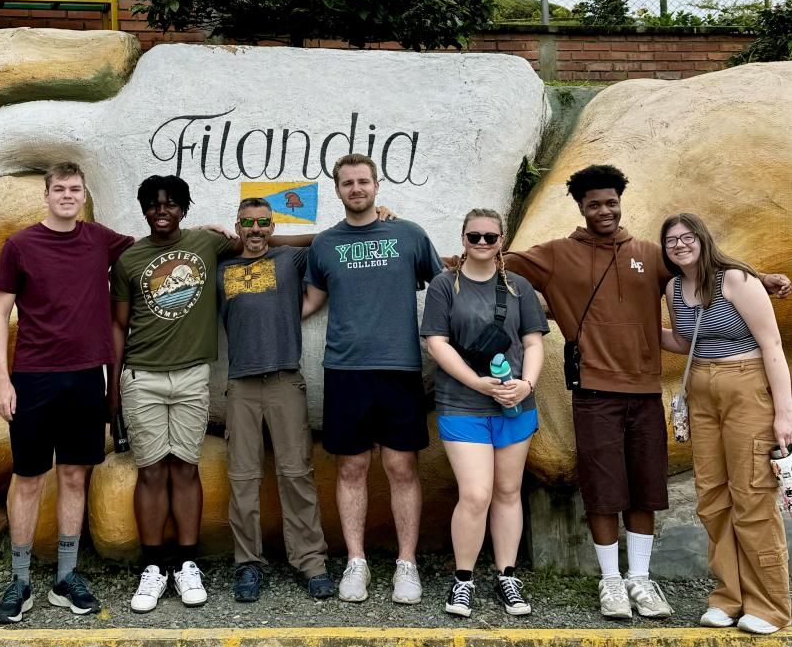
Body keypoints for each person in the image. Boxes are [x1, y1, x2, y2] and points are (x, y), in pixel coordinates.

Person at [502, 164, 790, 621]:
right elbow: (495, 263)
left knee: (646, 488)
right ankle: (611, 583)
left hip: (647, 391)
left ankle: (640, 579)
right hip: (594, 391)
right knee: (604, 489)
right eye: (594, 203)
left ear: (621, 203)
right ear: (580, 207)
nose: (604, 211)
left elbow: (706, 263)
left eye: (611, 202)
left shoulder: (649, 254)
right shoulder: (555, 254)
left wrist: (760, 277)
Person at [0, 162, 134, 625]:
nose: (67, 196)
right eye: (60, 189)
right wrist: (1, 380)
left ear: (84, 194)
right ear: (46, 194)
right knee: (29, 477)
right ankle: (20, 580)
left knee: (74, 476)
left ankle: (66, 578)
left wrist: (208, 232)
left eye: (75, 189)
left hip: (87, 376)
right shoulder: (20, 245)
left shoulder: (99, 240)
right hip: (33, 375)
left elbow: (153, 248)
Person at [302, 153, 443, 605]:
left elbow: (441, 291)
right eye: (348, 183)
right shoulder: (324, 244)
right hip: (345, 371)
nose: (356, 189)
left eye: (363, 181)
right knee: (351, 468)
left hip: (400, 368)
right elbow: (310, 301)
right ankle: (356, 563)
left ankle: (407, 564)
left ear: (377, 186)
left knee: (402, 467)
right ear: (338, 190)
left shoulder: (410, 235)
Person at [660, 212, 792, 635]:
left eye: (686, 237)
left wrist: (785, 414)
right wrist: (633, 330)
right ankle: (728, 598)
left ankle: (770, 606)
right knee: (712, 496)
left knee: (752, 494)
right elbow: (685, 340)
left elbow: (772, 344)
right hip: (701, 388)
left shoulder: (736, 279)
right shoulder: (673, 288)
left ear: (702, 238)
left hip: (746, 384)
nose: (679, 245)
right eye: (671, 241)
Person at [111, 175, 237, 613]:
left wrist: (224, 229)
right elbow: (119, 325)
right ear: (144, 209)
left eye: (170, 204)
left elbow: (257, 240)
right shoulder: (129, 260)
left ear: (184, 208)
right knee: (150, 471)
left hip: (190, 376)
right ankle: (154, 567)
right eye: (153, 204)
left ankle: (185, 563)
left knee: (184, 468)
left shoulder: (206, 244)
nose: (161, 210)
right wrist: (113, 385)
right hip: (142, 376)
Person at [421, 209, 547, 619]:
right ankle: (463, 580)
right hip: (463, 404)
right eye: (473, 236)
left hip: (514, 404)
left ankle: (507, 574)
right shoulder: (445, 286)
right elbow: (437, 343)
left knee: (509, 492)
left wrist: (526, 385)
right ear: (462, 238)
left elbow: (532, 342)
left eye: (489, 237)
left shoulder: (520, 287)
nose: (481, 243)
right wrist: (477, 383)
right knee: (476, 494)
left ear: (501, 241)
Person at [217, 197, 333, 603]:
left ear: (272, 226)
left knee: (296, 473)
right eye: (246, 223)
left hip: (285, 379)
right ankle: (248, 563)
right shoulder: (221, 269)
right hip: (241, 386)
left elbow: (326, 240)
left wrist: (275, 235)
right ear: (237, 225)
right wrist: (222, 241)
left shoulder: (290, 260)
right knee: (243, 478)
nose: (255, 230)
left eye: (263, 223)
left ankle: (311, 562)